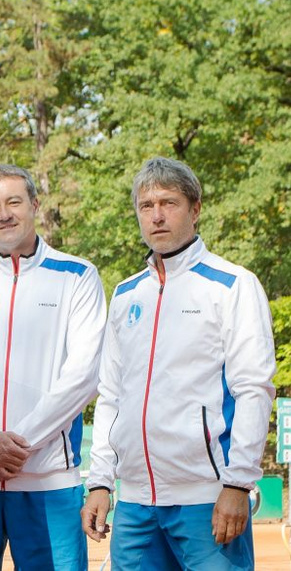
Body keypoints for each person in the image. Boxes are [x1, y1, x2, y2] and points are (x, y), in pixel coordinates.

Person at [82, 157, 276, 569]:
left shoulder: (232, 285)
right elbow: (111, 395)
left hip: (206, 499)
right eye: (145, 205)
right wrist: (100, 481)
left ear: (195, 207)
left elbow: (253, 389)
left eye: (168, 203)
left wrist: (238, 483)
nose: (156, 216)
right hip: (134, 503)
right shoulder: (126, 294)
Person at [0, 164, 106, 569]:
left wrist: (15, 447)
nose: (4, 214)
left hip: (49, 483)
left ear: (35, 204)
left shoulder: (77, 275)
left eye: (14, 202)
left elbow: (85, 374)